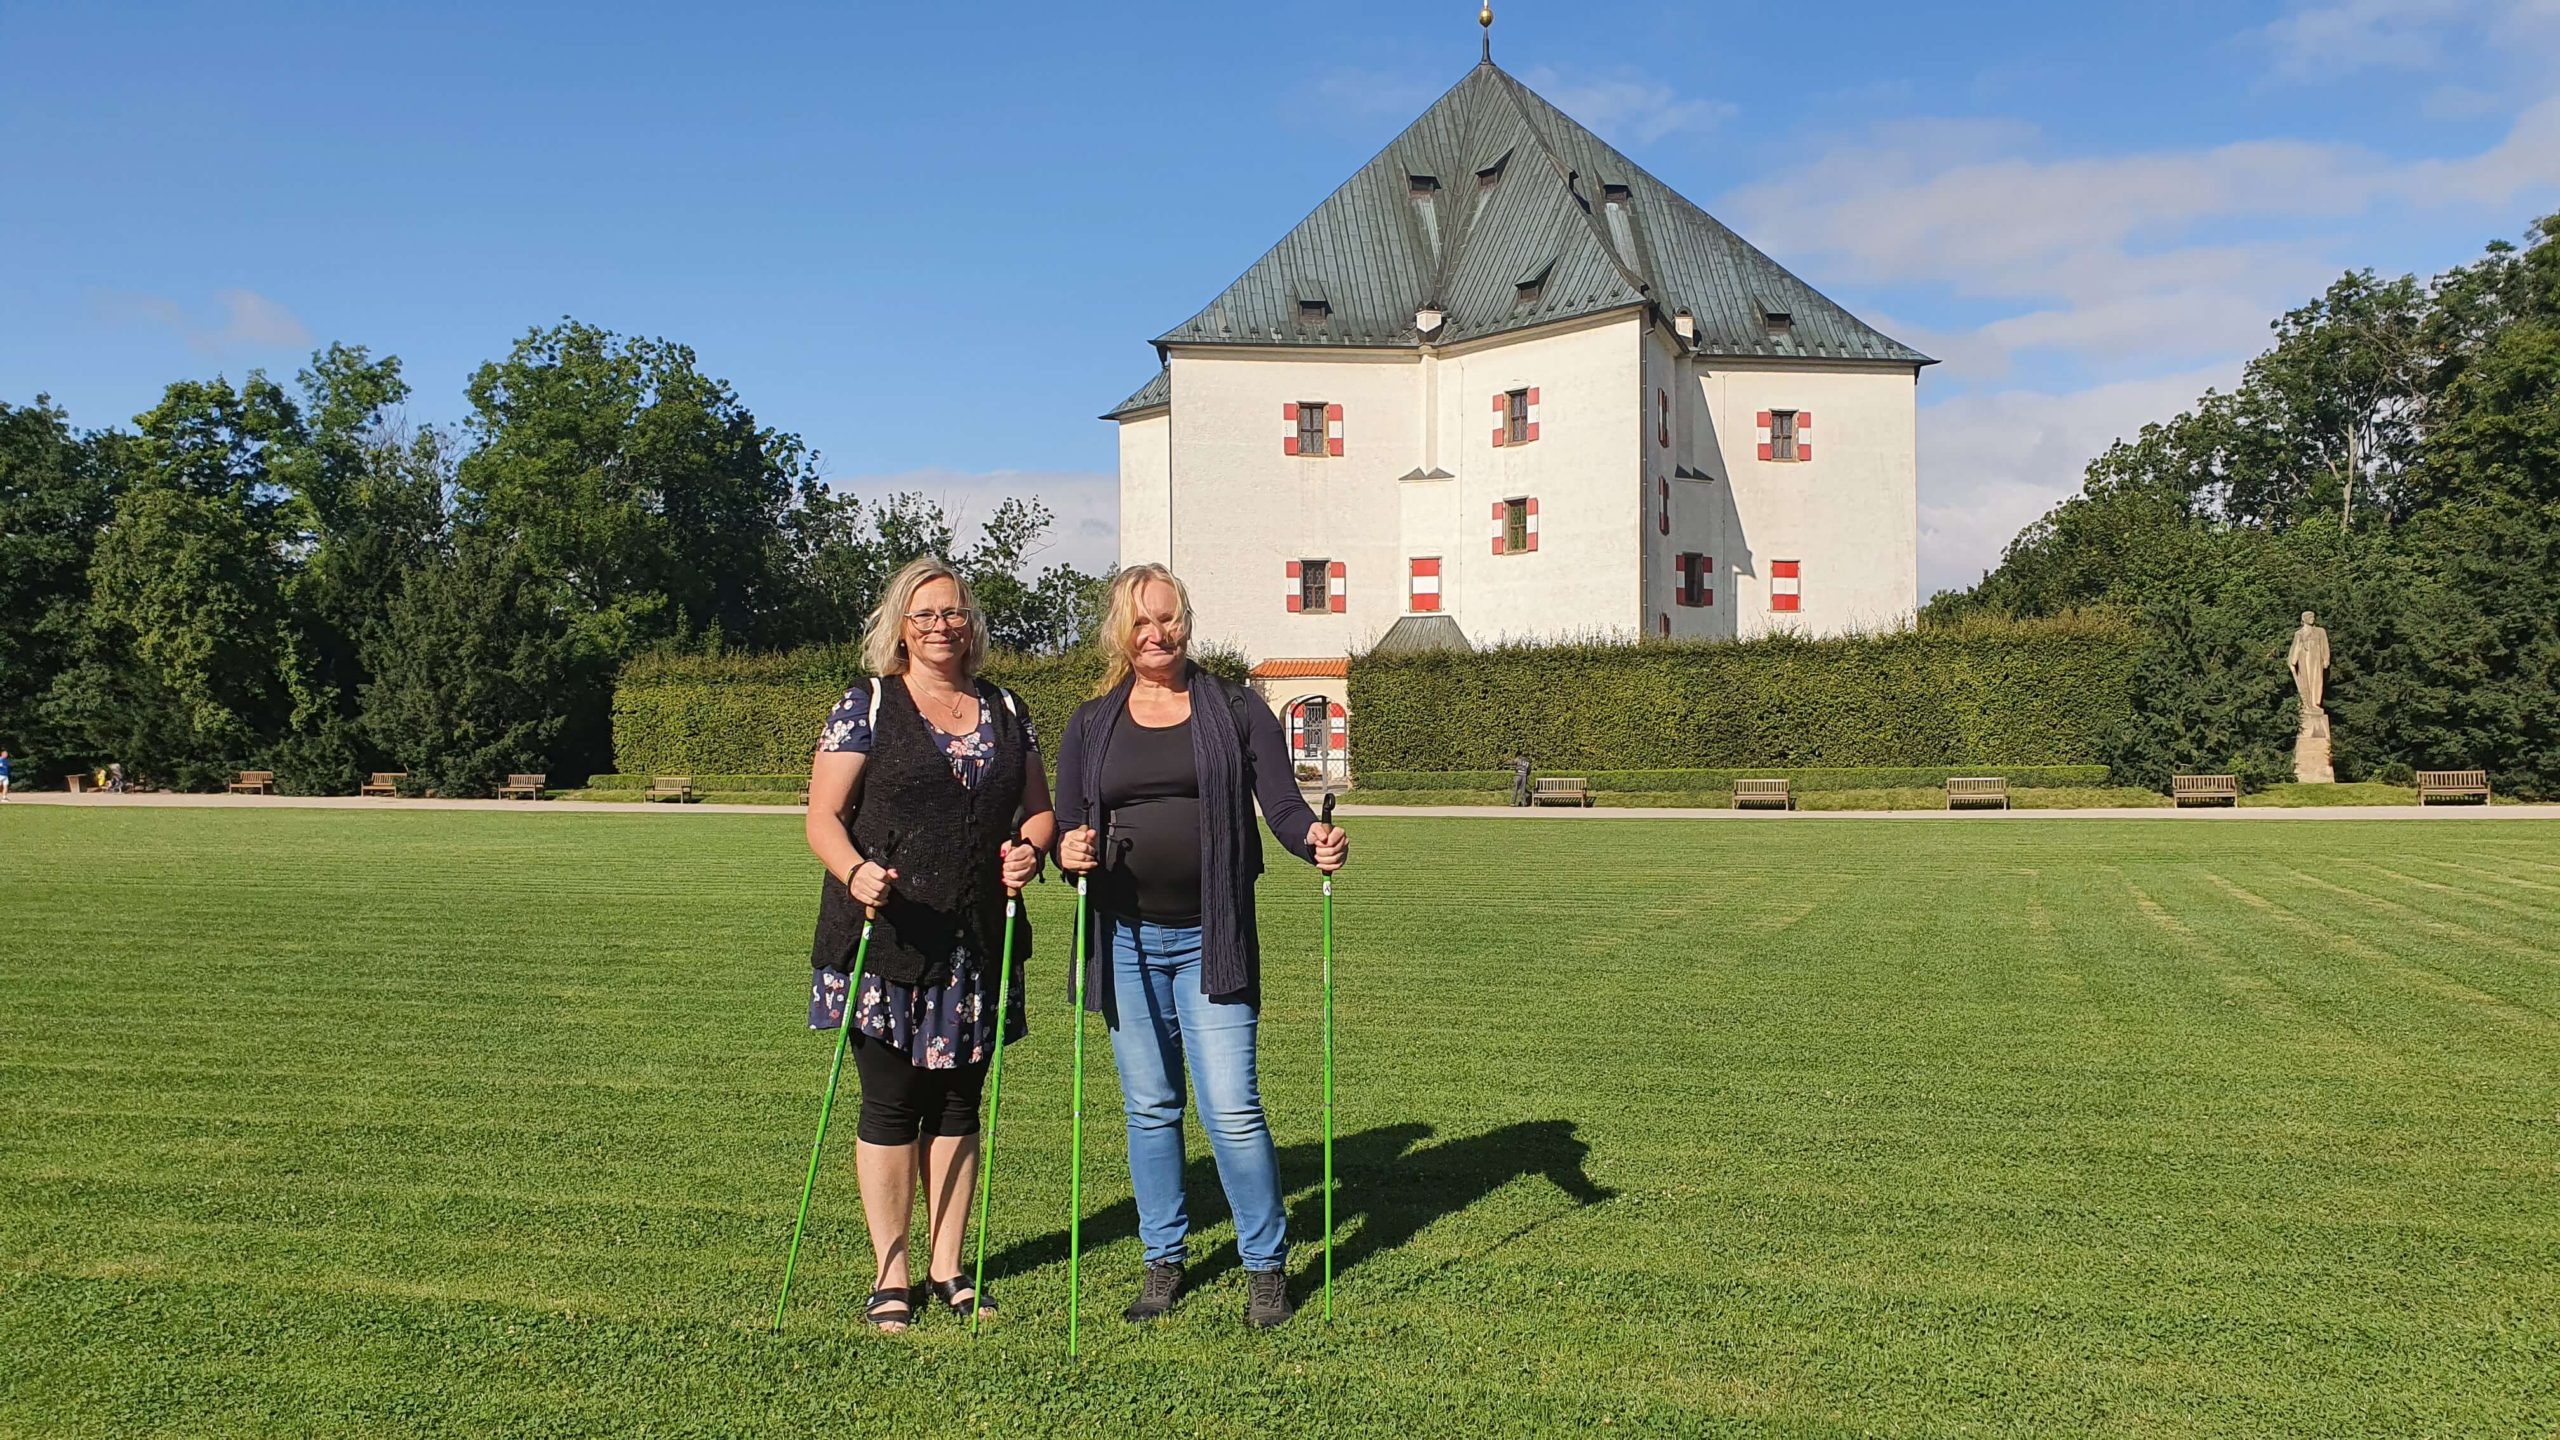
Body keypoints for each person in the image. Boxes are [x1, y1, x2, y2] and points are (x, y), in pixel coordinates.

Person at [1053, 564, 1348, 1330]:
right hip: (1122, 938)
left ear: (1187, 619)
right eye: (1142, 623)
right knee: (1150, 1108)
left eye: (1170, 618)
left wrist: (1309, 837)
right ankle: (1163, 1261)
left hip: (1211, 936)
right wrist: (1069, 852)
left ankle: (1264, 1267)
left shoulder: (1235, 707)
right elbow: (1064, 827)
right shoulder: (1091, 723)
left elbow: (1280, 804)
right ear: (1122, 632)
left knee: (1232, 1108)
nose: (1158, 635)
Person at [803, 556, 1053, 1332]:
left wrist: (1031, 849)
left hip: (975, 943)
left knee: (956, 1105)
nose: (943, 626)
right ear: (900, 628)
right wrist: (855, 872)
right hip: (887, 943)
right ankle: (891, 1275)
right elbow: (821, 818)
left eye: (954, 614)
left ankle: (949, 1266)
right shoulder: (866, 704)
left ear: (971, 625)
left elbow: (1037, 811)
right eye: (925, 615)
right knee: (890, 1104)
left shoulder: (1007, 709)